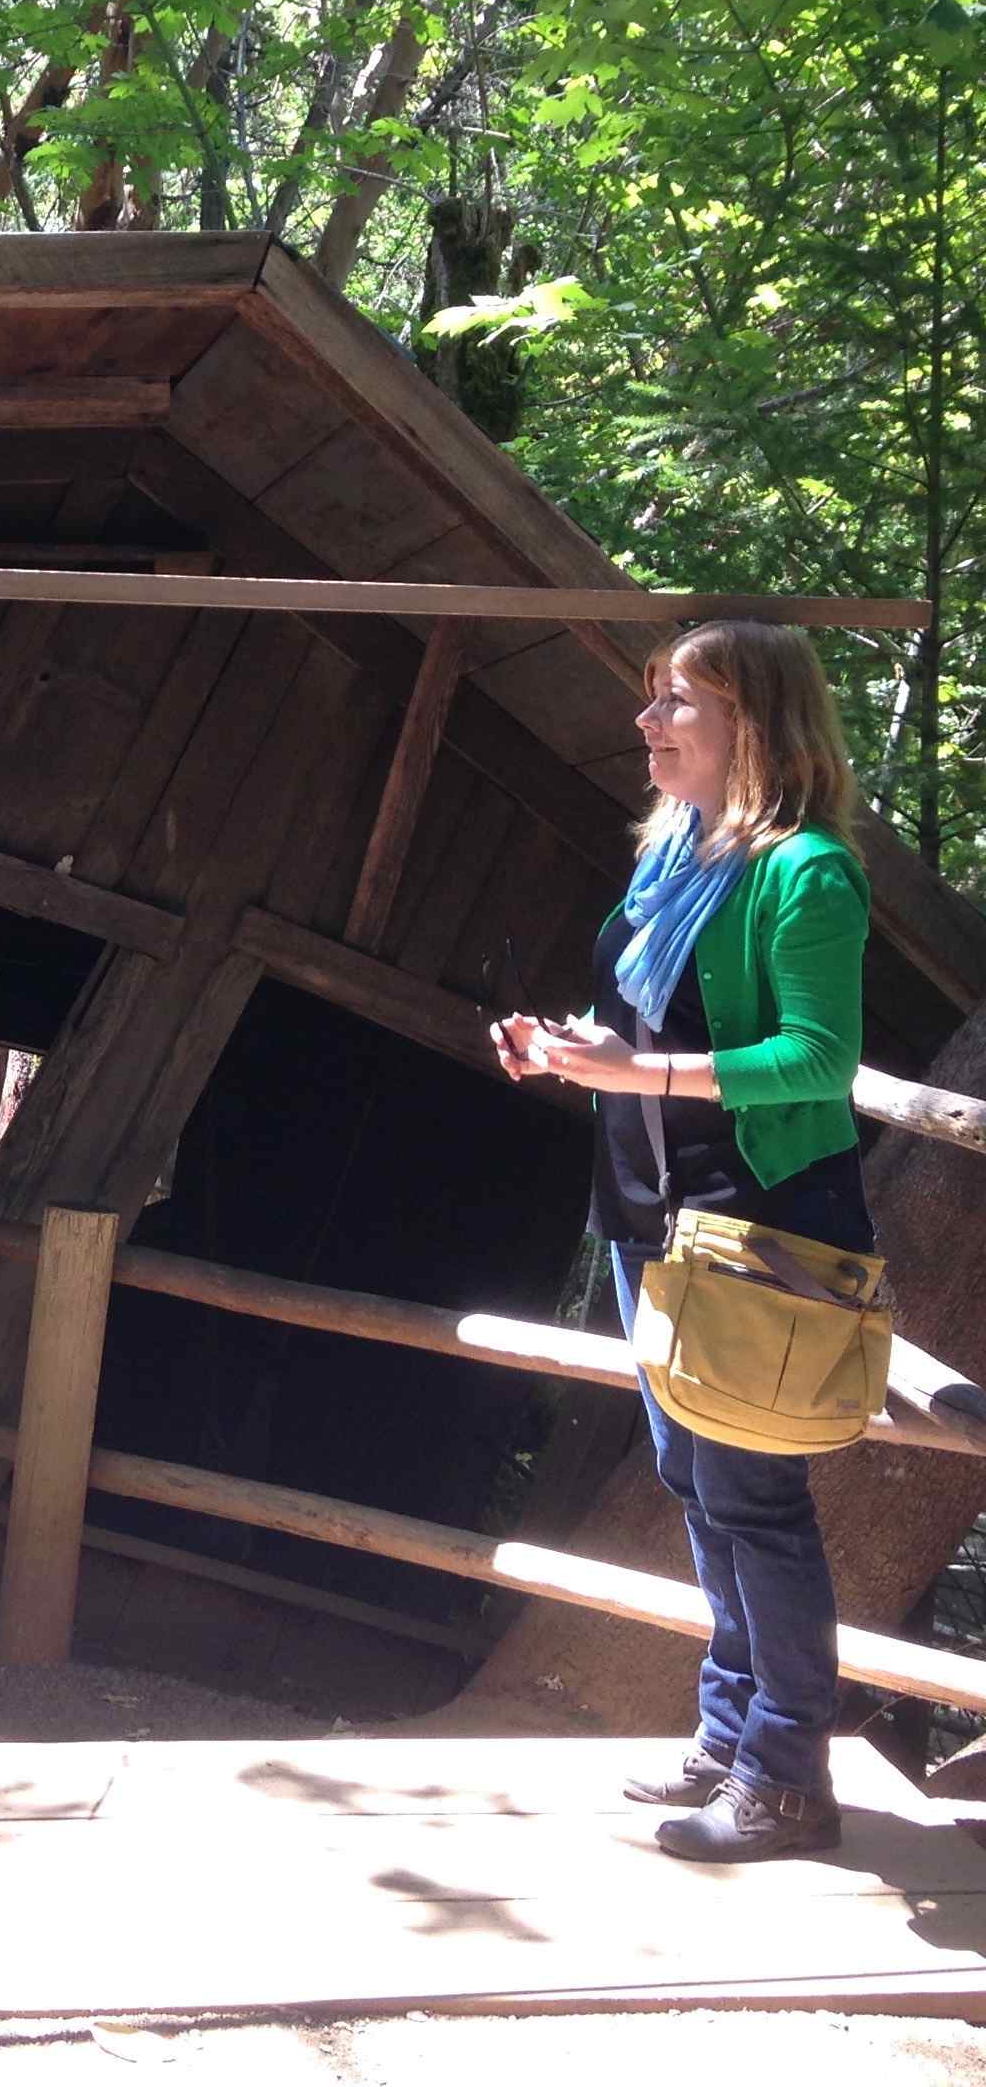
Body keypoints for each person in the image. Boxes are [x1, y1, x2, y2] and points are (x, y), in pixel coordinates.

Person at [489, 620, 874, 1864]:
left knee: (755, 1498)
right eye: (652, 701)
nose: (649, 724)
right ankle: (732, 1735)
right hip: (649, 1215)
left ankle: (786, 1775)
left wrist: (638, 1065)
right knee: (695, 1485)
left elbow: (818, 1059)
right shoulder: (670, 865)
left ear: (753, 726)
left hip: (758, 1222)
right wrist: (565, 1049)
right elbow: (635, 1025)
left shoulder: (805, 870)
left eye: (679, 705)